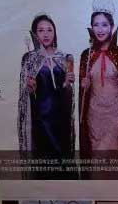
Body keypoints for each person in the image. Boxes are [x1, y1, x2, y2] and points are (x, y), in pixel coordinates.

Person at [79, 0, 118, 160]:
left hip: (116, 116)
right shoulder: (87, 55)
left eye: (104, 24)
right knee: (97, 159)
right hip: (94, 116)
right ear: (91, 27)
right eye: (96, 25)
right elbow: (83, 94)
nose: (100, 29)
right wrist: (84, 86)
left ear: (111, 26)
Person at [18, 14, 75, 164]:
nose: (46, 34)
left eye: (49, 30)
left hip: (61, 119)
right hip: (41, 120)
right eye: (41, 30)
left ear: (55, 32)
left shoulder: (64, 57)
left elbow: (67, 94)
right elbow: (25, 98)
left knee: (62, 159)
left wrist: (67, 84)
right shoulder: (29, 59)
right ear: (35, 34)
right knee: (43, 159)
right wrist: (30, 88)